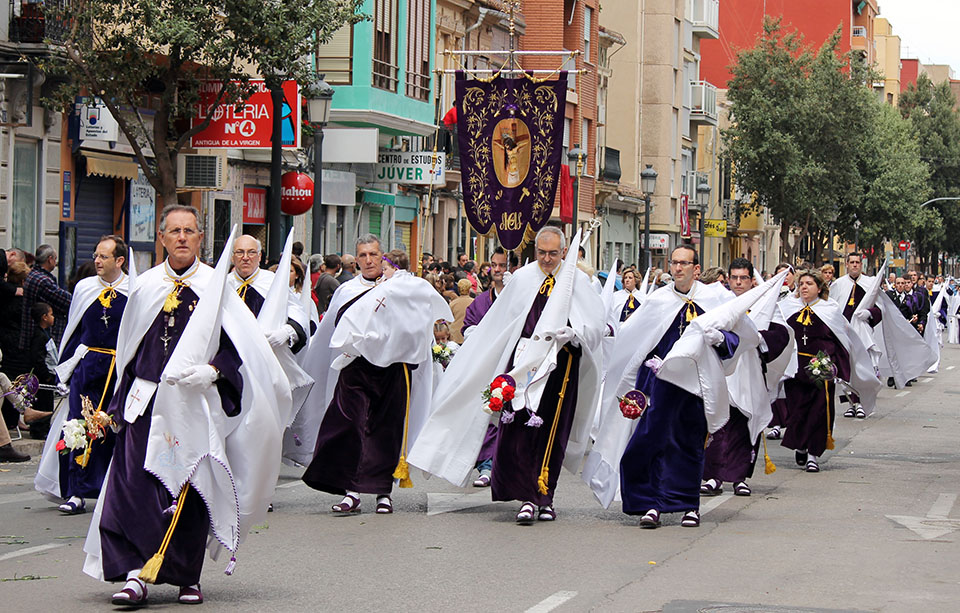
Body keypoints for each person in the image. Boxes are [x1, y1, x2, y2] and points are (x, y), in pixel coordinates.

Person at [83, 206, 290, 606]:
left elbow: (239, 347)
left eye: (189, 231)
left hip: (194, 404)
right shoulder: (144, 286)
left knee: (189, 489)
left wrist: (214, 372)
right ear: (161, 238)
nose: (181, 237)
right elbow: (126, 349)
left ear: (200, 239)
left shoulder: (217, 287)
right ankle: (134, 572)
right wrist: (114, 404)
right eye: (174, 231)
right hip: (144, 404)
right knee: (134, 488)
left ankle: (185, 575)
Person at [410, 227, 604, 524]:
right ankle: (525, 496)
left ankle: (545, 495)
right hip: (523, 364)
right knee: (520, 431)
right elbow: (501, 323)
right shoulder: (524, 279)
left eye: (554, 253)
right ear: (535, 251)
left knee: (551, 433)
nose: (548, 259)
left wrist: (575, 333)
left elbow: (595, 325)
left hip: (560, 367)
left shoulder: (576, 282)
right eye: (542, 253)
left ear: (564, 252)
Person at [585, 245, 752, 528]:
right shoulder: (658, 300)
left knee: (689, 444)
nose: (677, 268)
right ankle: (652, 503)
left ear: (696, 269)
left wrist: (720, 339)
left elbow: (740, 334)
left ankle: (688, 504)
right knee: (652, 441)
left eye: (684, 263)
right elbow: (635, 339)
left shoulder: (715, 298)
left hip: (696, 383)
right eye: (674, 263)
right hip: (660, 382)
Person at [299, 235, 452, 514]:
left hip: (392, 369)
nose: (368, 260)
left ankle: (382, 489)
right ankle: (351, 489)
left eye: (373, 254)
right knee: (351, 425)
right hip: (356, 369)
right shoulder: (346, 290)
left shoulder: (401, 287)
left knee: (387, 429)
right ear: (356, 260)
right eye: (363, 255)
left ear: (382, 257)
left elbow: (418, 322)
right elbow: (333, 328)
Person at [35, 236, 130, 515]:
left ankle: (107, 490)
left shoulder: (134, 289)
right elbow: (73, 331)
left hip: (116, 369)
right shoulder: (85, 288)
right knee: (76, 427)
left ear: (119, 261)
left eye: (104, 257)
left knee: (109, 428)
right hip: (87, 367)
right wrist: (63, 372)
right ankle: (75, 492)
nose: (97, 261)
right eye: (96, 256)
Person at [701, 259, 793, 497]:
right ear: (728, 279)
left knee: (745, 424)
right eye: (734, 278)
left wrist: (759, 339)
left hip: (749, 373)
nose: (739, 283)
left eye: (743, 278)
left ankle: (739, 476)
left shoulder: (764, 303)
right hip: (722, 371)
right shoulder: (718, 302)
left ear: (752, 280)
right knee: (718, 424)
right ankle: (713, 476)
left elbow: (781, 334)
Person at [779, 270, 878, 472]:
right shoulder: (787, 307)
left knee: (819, 411)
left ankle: (813, 455)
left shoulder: (830, 310)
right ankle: (801, 444)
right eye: (802, 284)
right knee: (797, 409)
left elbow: (842, 340)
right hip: (795, 367)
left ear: (820, 288)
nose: (804, 287)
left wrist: (835, 367)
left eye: (809, 283)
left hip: (821, 368)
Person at [828, 253, 881, 418]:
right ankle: (851, 403)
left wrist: (869, 313)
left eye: (857, 262)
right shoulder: (838, 284)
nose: (855, 265)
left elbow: (880, 309)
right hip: (845, 333)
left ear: (861, 265)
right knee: (846, 369)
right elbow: (830, 307)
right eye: (852, 262)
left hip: (863, 333)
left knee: (863, 368)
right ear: (847, 264)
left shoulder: (870, 283)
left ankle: (861, 402)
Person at [20, 244, 72, 350]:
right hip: (44, 335)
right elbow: (67, 301)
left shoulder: (33, 274)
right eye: (55, 259)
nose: (56, 262)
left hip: (32, 333)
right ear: (50, 259)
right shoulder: (43, 281)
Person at [463, 248, 509, 338]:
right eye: (494, 265)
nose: (497, 269)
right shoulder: (480, 301)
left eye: (502, 265)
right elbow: (468, 326)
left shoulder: (521, 299)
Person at [447, 279, 474, 343]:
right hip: (469, 336)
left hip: (455, 336)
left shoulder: (453, 303)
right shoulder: (474, 302)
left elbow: (448, 321)